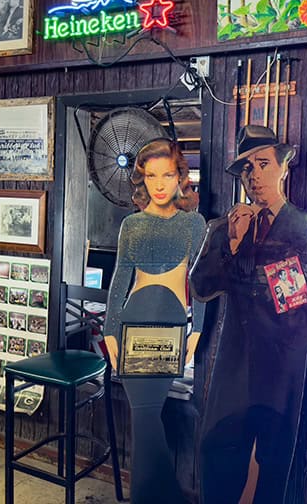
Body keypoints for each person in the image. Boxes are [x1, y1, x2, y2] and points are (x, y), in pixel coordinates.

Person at [189, 125, 307, 504]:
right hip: (232, 360)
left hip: (283, 362)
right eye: (246, 168)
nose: (254, 174)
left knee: (275, 454)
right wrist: (231, 243)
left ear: (283, 168)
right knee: (218, 446)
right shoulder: (223, 227)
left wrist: (288, 342)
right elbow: (200, 287)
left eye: (262, 164)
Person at [104, 138, 206, 504]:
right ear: (142, 179)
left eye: (167, 174)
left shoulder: (195, 225)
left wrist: (198, 330)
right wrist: (109, 329)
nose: (159, 183)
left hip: (173, 330)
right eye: (151, 175)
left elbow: (202, 285)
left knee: (146, 423)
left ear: (180, 177)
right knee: (145, 420)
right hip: (132, 327)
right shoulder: (131, 225)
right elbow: (119, 280)